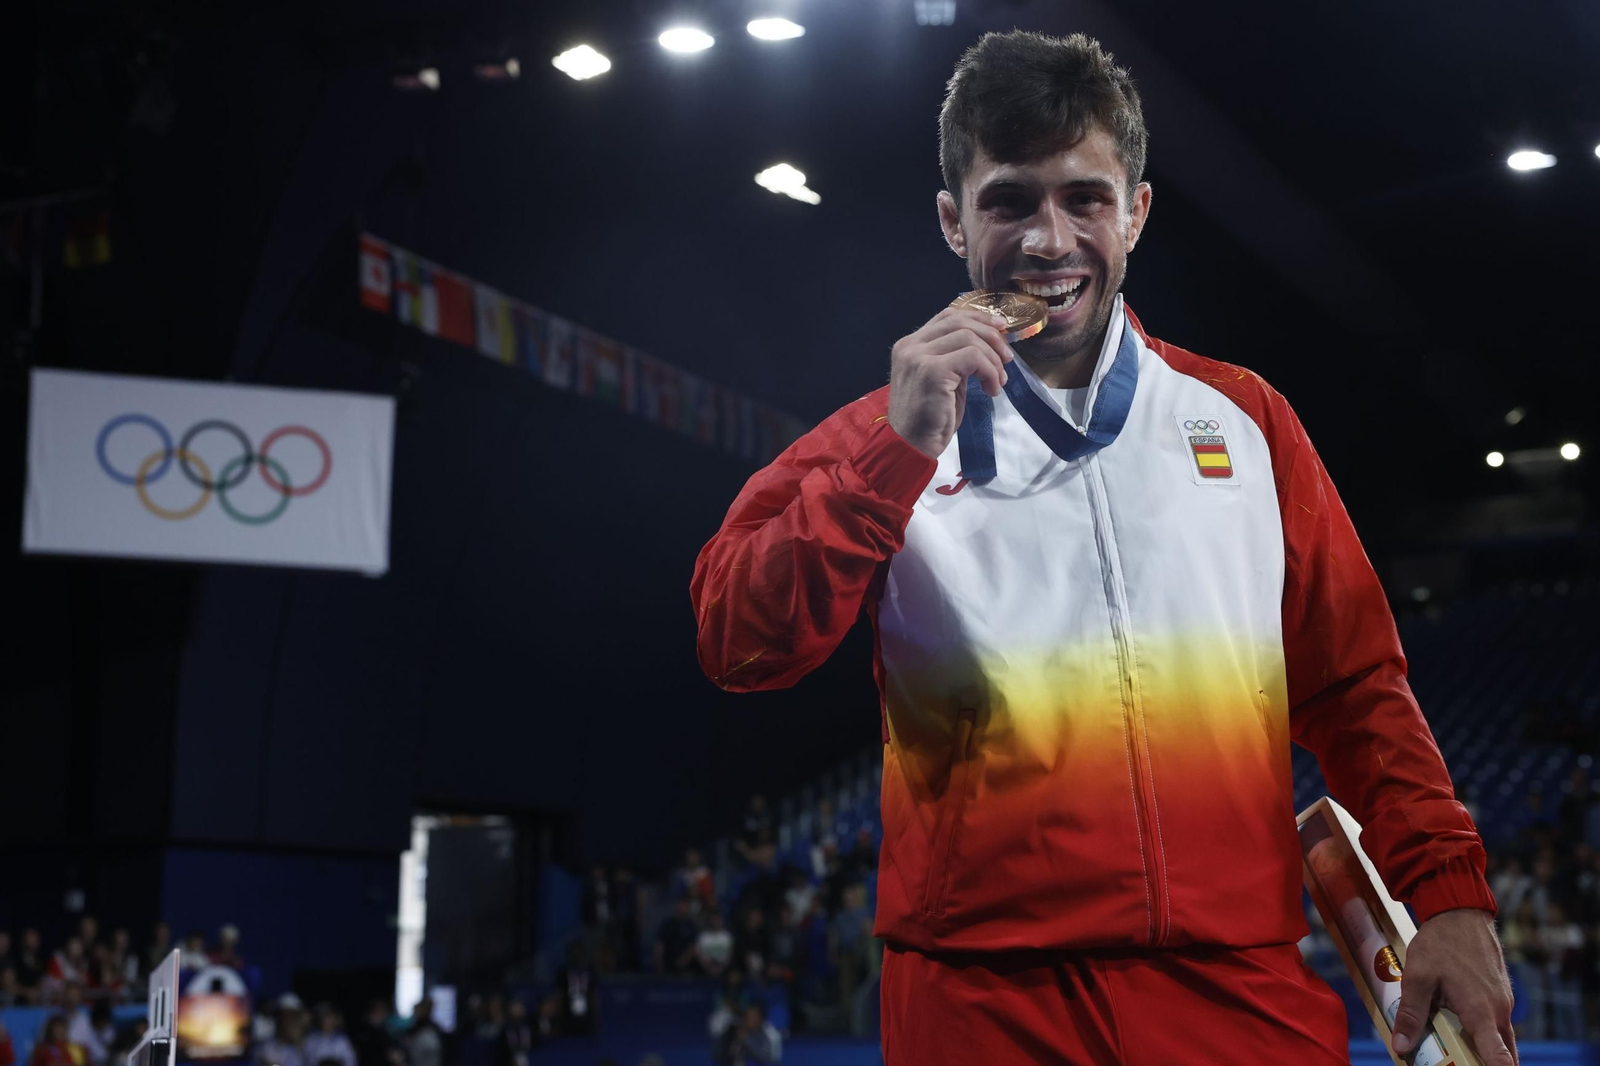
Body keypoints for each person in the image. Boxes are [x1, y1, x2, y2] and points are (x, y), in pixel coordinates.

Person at [690, 29, 1514, 1066]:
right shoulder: (881, 438)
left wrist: (1446, 898)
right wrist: (889, 463)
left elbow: (1354, 687)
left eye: (1083, 197)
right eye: (1008, 200)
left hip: (1237, 991)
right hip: (982, 1006)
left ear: (1136, 212)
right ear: (953, 221)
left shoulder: (1245, 420)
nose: (1048, 239)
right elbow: (736, 640)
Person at [652, 899, 699, 975]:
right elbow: (659, 945)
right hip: (668, 965)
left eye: (684, 905)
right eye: (680, 904)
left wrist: (683, 961)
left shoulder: (691, 925)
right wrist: (659, 965)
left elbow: (694, 946)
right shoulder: (668, 924)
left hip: (686, 967)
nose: (682, 907)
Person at [694, 912, 734, 978]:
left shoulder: (727, 936)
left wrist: (721, 967)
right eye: (714, 920)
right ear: (710, 921)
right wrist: (708, 967)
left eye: (718, 920)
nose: (716, 923)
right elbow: (699, 954)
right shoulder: (703, 936)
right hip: (705, 969)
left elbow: (730, 955)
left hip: (724, 969)